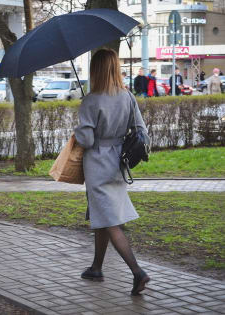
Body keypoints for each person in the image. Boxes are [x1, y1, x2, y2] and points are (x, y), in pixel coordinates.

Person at [74, 49, 150, 296]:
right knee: (103, 214)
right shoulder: (127, 96)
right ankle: (96, 267)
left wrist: (79, 125)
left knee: (110, 220)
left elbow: (85, 139)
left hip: (97, 163)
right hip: (119, 161)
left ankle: (137, 272)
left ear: (95, 70)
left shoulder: (91, 100)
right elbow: (141, 130)